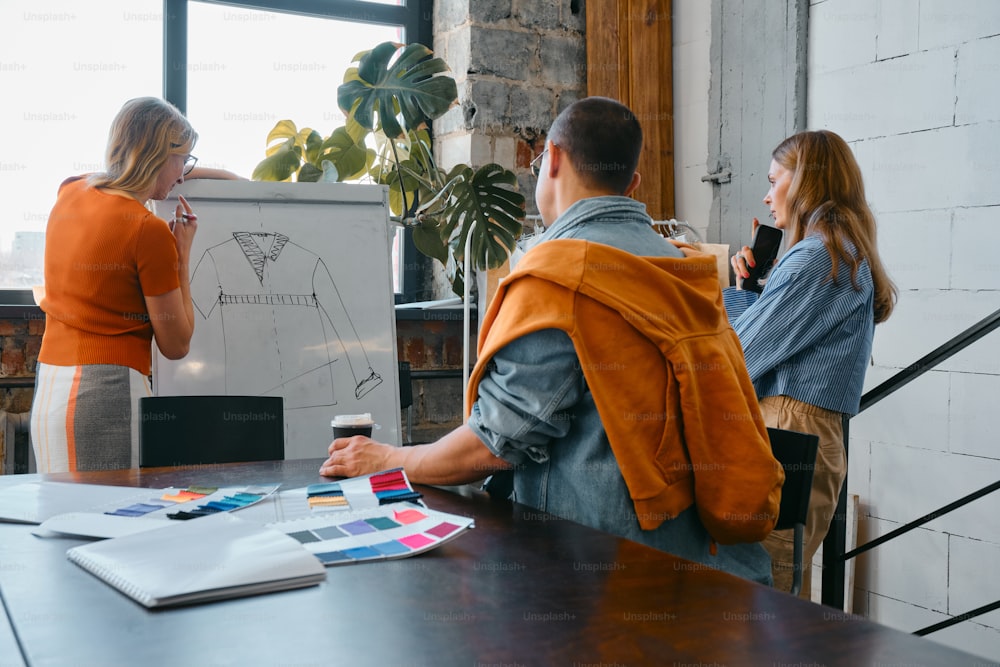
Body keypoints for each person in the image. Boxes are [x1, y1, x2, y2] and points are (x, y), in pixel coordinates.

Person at [320, 96, 784, 584]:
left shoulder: (562, 275)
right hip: (699, 561)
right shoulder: (683, 264)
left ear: (554, 158)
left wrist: (390, 459)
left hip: (596, 574)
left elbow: (496, 443)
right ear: (632, 185)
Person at [725, 129, 897, 597]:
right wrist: (750, 291)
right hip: (806, 430)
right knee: (778, 584)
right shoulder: (837, 249)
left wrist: (732, 302)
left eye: (773, 179)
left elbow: (738, 353)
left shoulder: (817, 257)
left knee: (763, 586)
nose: (766, 195)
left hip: (789, 428)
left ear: (803, 182)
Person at [30, 96, 237, 473]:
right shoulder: (149, 232)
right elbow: (177, 344)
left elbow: (146, 176)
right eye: (183, 159)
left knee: (66, 521)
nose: (184, 173)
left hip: (51, 391)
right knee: (113, 522)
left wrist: (192, 170)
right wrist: (182, 255)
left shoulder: (71, 191)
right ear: (157, 155)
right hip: (105, 394)